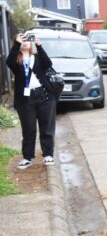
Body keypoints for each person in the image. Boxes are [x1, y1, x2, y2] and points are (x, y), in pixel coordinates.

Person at [6, 32, 57, 169]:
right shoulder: (16, 60)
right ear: (17, 43)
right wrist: (17, 43)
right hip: (25, 99)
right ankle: (27, 157)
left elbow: (48, 63)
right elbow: (8, 62)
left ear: (31, 42)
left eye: (27, 39)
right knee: (28, 129)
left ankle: (48, 155)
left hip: (44, 95)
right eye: (22, 40)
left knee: (46, 127)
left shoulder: (37, 56)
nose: (25, 42)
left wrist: (39, 46)